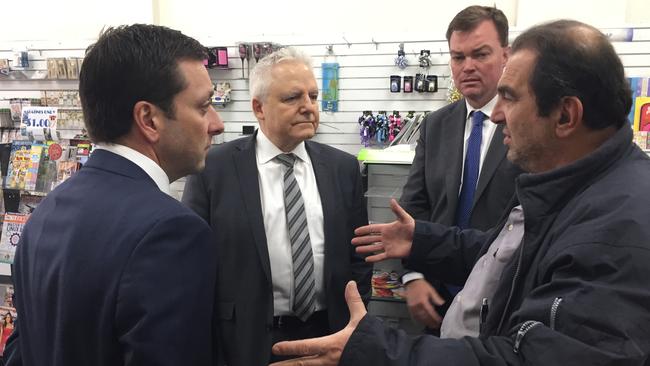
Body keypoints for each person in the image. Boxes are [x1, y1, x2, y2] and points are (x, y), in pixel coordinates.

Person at [270, 19, 650, 365]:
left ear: (566, 116)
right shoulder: (567, 185)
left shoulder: (619, 231)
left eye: (512, 97)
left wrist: (375, 350)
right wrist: (422, 243)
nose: (498, 113)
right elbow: (505, 256)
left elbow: (530, 358)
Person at [4, 24, 224, 366]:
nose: (216, 122)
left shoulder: (47, 212)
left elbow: (23, 348)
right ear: (149, 119)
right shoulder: (172, 232)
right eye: (203, 106)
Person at [182, 46, 372, 366]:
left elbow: (359, 255)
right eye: (292, 98)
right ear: (259, 107)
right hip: (245, 340)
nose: (308, 107)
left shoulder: (343, 168)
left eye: (313, 96)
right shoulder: (214, 168)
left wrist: (355, 318)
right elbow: (192, 263)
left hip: (328, 334)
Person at [399, 5, 521, 334]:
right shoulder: (436, 125)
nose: (467, 67)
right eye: (458, 57)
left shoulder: (526, 124)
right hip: (436, 300)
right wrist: (413, 276)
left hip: (502, 301)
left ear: (506, 55)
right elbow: (416, 205)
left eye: (480, 54)